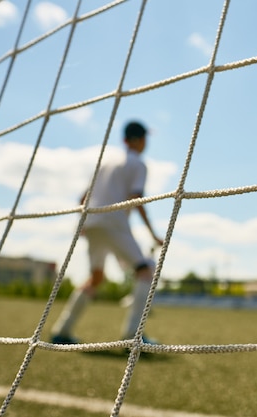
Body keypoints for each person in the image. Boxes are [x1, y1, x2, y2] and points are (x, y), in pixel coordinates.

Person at [51, 121, 163, 345]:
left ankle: (61, 331)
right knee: (145, 271)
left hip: (92, 223)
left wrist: (84, 223)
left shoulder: (106, 164)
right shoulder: (138, 164)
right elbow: (137, 199)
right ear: (140, 140)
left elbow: (82, 199)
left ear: (124, 140)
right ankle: (132, 335)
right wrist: (153, 234)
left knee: (96, 277)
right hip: (113, 222)